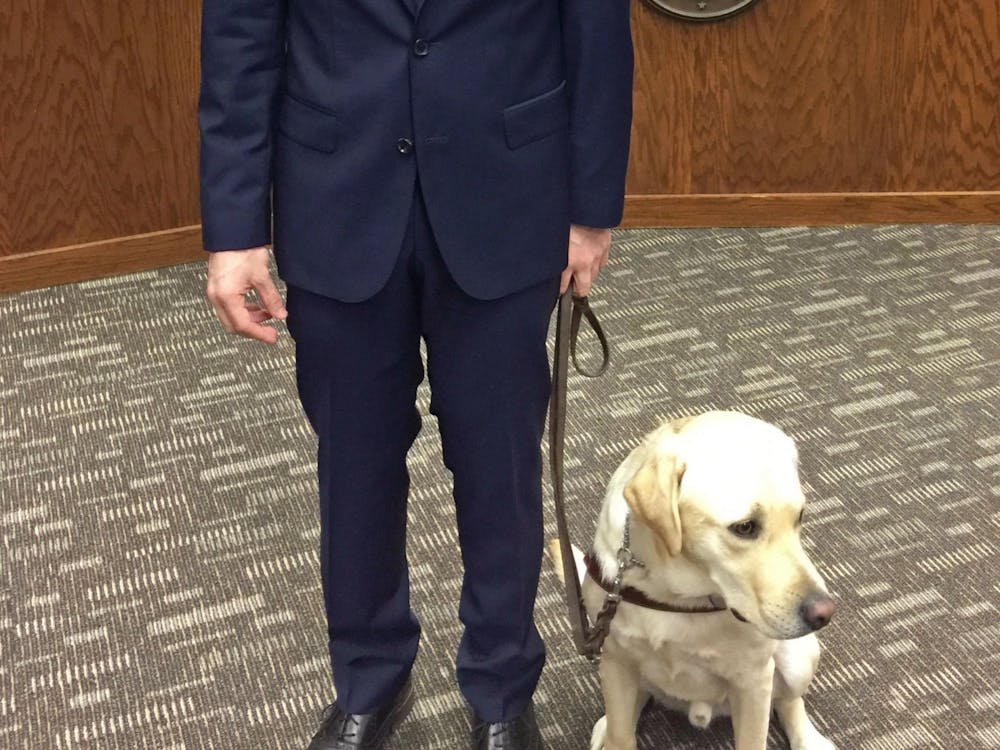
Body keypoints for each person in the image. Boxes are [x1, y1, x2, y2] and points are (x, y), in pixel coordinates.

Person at [198, 0, 633, 747]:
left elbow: (597, 33)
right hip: (336, 194)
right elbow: (240, 39)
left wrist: (591, 210)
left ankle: (502, 690)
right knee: (355, 465)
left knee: (499, 465)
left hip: (508, 194)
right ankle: (370, 679)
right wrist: (234, 229)